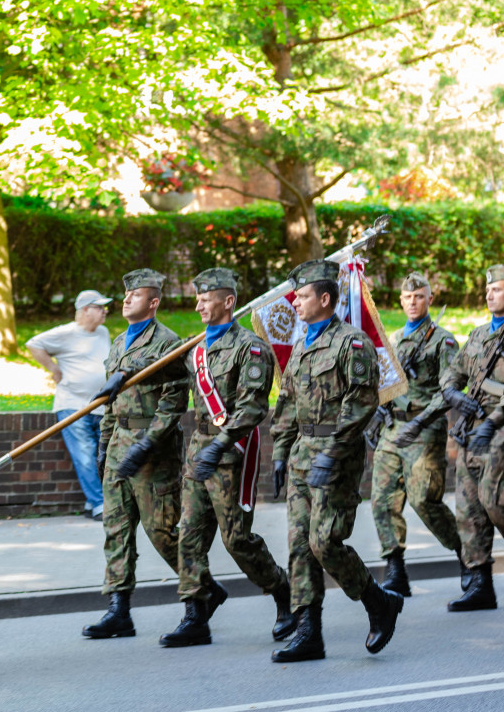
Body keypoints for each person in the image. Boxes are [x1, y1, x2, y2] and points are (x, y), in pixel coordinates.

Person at [270, 259, 403, 663]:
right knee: (299, 547)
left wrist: (331, 453)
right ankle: (309, 632)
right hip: (301, 457)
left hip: (337, 457)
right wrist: (279, 452)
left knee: (324, 542)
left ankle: (377, 601)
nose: (295, 303)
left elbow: (361, 403)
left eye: (304, 296)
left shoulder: (353, 344)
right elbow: (289, 402)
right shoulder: (301, 345)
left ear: (325, 298)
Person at [82, 269, 225, 639]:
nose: (127, 299)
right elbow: (111, 403)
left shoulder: (168, 343)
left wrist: (147, 444)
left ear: (154, 302)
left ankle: (200, 598)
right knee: (116, 530)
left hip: (152, 451)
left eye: (136, 294)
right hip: (118, 447)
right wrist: (104, 445)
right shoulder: (118, 343)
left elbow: (174, 401)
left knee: (163, 531)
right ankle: (119, 609)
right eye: (126, 293)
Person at [406, 264, 504, 612]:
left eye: (498, 290)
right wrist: (452, 394)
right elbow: (453, 372)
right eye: (488, 290)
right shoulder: (476, 336)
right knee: (469, 507)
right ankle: (480, 584)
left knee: (498, 505)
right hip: (472, 429)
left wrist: (495, 419)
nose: (490, 294)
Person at [160, 268, 295, 648]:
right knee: (188, 533)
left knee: (237, 539)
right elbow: (163, 374)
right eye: (198, 298)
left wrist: (218, 448)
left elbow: (253, 409)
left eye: (206, 298)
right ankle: (196, 614)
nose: (199, 304)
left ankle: (283, 592)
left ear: (229, 302)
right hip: (197, 451)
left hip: (231, 452)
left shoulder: (250, 349)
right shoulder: (196, 349)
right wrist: (122, 380)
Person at [370, 272, 464, 598]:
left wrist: (421, 421)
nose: (413, 302)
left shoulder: (443, 341)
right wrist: (381, 407)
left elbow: (450, 390)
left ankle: (467, 554)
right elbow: (385, 383)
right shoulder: (392, 340)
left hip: (425, 430)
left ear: (429, 299)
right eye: (408, 297)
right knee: (382, 501)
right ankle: (396, 569)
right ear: (400, 300)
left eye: (419, 296)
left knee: (425, 500)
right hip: (392, 429)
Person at [26, 289, 113, 520]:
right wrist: (54, 369)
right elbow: (33, 343)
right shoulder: (66, 333)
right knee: (84, 454)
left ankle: (91, 501)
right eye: (99, 307)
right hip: (73, 405)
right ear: (85, 310)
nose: (105, 312)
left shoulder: (103, 332)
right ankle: (98, 504)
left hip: (100, 405)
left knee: (100, 456)